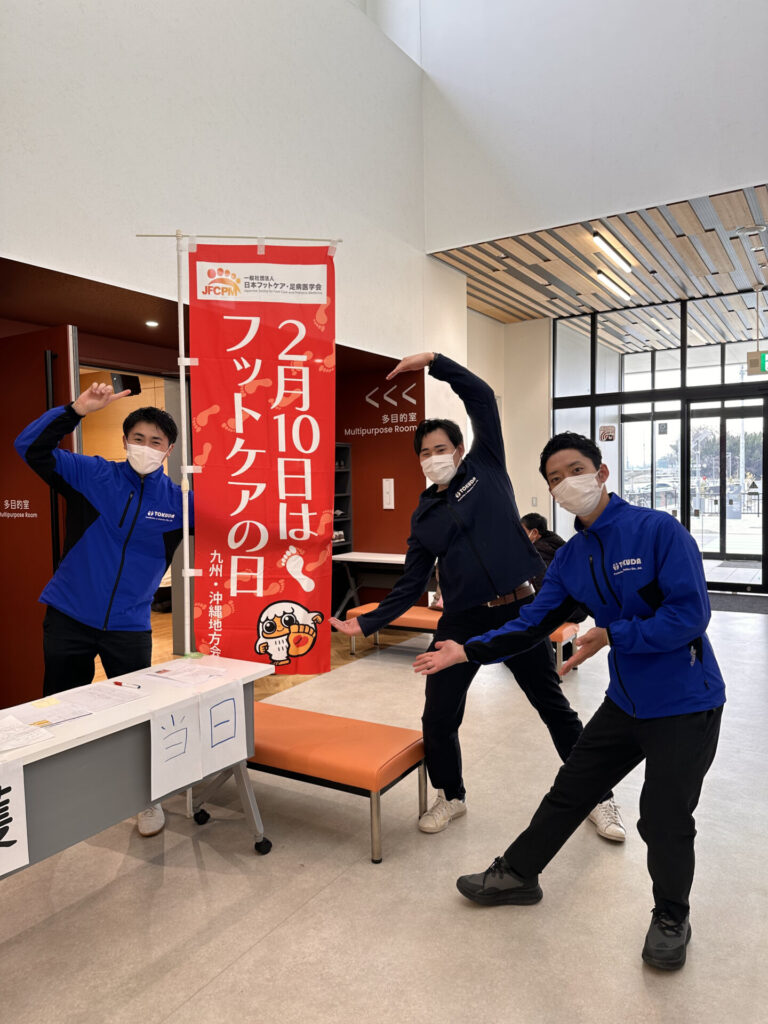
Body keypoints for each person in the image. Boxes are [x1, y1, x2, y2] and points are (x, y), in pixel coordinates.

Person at [414, 431, 725, 971]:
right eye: (554, 479)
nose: (566, 484)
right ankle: (518, 874)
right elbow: (531, 622)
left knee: (664, 817)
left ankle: (672, 916)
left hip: (685, 701)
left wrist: (613, 634)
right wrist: (468, 651)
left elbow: (689, 616)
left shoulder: (657, 531)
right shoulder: (571, 557)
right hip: (625, 701)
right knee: (571, 788)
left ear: (601, 472)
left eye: (575, 470)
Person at [330, 354, 624, 840]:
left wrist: (435, 362)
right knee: (438, 713)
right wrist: (367, 622)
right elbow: (411, 583)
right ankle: (451, 795)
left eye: (441, 448)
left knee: (552, 706)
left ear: (460, 448)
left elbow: (482, 397)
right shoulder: (424, 515)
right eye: (425, 452)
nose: (433, 457)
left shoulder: (485, 466)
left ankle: (599, 797)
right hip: (462, 620)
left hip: (520, 611)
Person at [15, 381, 189, 838]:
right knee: (59, 706)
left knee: (136, 714)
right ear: (125, 441)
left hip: (129, 625)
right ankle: (56, 790)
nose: (146, 447)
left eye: (156, 441)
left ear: (169, 450)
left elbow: (240, 520)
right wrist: (75, 411)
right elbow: (28, 447)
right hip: (69, 614)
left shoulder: (177, 503)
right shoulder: (92, 475)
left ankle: (145, 798)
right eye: (138, 438)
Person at [520, 512, 585, 664]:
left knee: (522, 614)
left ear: (534, 532)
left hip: (568, 609)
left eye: (522, 531)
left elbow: (544, 592)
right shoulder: (555, 542)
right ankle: (565, 649)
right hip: (580, 606)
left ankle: (544, 657)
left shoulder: (538, 553)